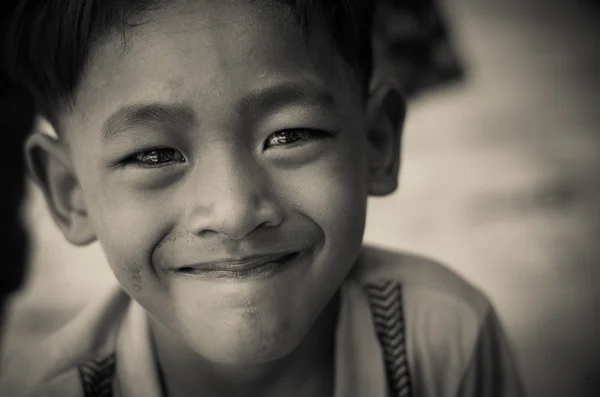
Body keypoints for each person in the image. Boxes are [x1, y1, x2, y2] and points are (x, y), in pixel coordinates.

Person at [0, 1, 525, 396]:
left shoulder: (445, 341)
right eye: (155, 156)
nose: (233, 213)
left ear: (376, 143)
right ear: (71, 193)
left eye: (290, 135)